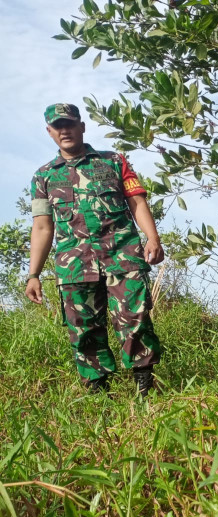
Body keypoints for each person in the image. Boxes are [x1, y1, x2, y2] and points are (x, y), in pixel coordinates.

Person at [25, 103, 164, 395]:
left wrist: (152, 238)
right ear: (49, 132)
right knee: (83, 328)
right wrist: (33, 274)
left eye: (70, 123)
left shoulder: (114, 161)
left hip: (122, 256)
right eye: (58, 126)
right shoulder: (44, 177)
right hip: (74, 264)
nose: (65, 130)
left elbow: (137, 202)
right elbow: (42, 227)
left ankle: (145, 386)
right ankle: (98, 392)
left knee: (135, 319)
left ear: (82, 126)